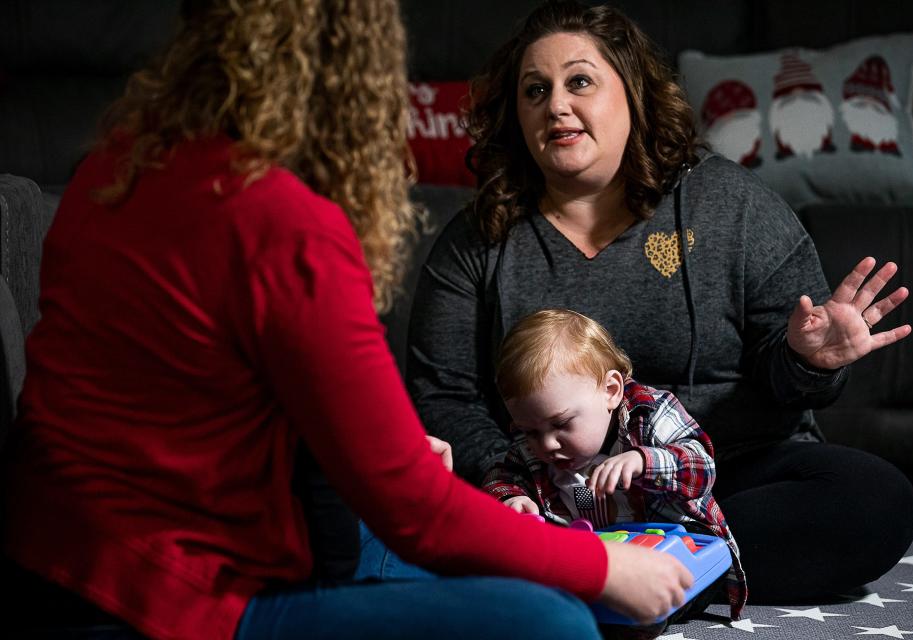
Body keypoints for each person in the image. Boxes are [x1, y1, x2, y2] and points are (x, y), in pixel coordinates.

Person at [0, 1, 697, 639]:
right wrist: (601, 568)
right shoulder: (285, 223)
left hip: (42, 556)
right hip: (164, 602)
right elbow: (419, 513)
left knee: (426, 550)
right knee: (549, 621)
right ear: (354, 66)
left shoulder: (114, 165)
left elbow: (183, 392)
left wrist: (365, 450)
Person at [406, 0, 913, 604]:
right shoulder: (478, 239)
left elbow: (789, 387)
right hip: (552, 488)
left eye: (580, 82)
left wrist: (809, 360)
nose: (556, 106)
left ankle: (585, 569)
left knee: (874, 500)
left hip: (721, 479)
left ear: (634, 93)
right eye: (535, 91)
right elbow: (443, 396)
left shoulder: (731, 204)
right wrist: (515, 489)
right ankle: (615, 565)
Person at [485, 308, 746, 620]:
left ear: (610, 391)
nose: (547, 444)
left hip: (675, 556)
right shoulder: (534, 445)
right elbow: (500, 475)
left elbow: (702, 469)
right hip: (589, 564)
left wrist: (644, 460)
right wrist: (511, 497)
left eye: (562, 424)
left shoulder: (652, 417)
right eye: (530, 431)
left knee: (637, 613)